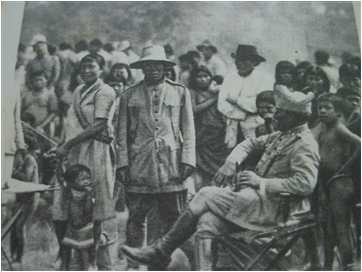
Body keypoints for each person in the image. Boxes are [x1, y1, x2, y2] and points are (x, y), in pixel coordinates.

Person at [121, 85, 319, 270]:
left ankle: (161, 250)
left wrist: (261, 182)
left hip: (275, 210)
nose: (276, 116)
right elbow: (248, 144)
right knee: (207, 222)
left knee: (206, 193)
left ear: (295, 117)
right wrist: (230, 163)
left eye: (281, 113)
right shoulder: (280, 135)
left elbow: (305, 183)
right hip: (255, 204)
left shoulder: (305, 144)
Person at [115, 44, 195, 269]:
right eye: (148, 66)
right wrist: (122, 163)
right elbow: (122, 132)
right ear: (142, 68)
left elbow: (188, 129)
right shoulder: (129, 94)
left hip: (171, 164)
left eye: (157, 66)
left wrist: (188, 159)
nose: (153, 70)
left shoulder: (180, 91)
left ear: (164, 67)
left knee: (175, 217)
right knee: (136, 216)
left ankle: (168, 262)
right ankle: (134, 263)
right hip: (139, 163)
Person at [54, 53, 117, 270]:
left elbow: (98, 126)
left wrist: (68, 145)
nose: (87, 71)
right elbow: (71, 123)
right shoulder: (79, 91)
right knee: (71, 203)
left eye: (92, 67)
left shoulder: (106, 91)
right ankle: (71, 257)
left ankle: (94, 260)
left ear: (101, 68)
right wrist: (61, 146)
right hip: (75, 152)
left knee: (94, 207)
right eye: (83, 67)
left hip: (95, 153)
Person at [312, 94, 360, 270]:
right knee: (328, 228)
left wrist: (344, 167)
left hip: (340, 182)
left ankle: (348, 266)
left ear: (338, 113)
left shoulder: (339, 128)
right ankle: (327, 266)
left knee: (341, 227)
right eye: (320, 108)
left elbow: (360, 144)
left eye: (327, 108)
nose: (322, 111)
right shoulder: (323, 128)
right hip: (327, 181)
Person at [218, 44, 273, 147]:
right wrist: (240, 113)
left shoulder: (264, 79)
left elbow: (258, 105)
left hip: (255, 127)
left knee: (255, 154)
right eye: (238, 61)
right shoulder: (230, 78)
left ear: (254, 62)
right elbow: (221, 104)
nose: (240, 64)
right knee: (233, 155)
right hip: (233, 127)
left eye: (244, 60)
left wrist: (236, 100)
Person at [189, 65, 231, 191]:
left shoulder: (216, 90)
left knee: (219, 166)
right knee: (201, 166)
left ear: (211, 77)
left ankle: (217, 191)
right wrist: (214, 99)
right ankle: (202, 191)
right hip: (202, 134)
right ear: (194, 78)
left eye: (206, 76)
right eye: (199, 77)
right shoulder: (192, 92)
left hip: (218, 133)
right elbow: (194, 109)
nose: (202, 79)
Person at [10, 134, 40, 264]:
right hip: (21, 197)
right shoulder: (22, 158)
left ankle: (19, 257)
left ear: (26, 146)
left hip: (29, 198)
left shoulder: (29, 159)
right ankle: (13, 255)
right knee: (13, 227)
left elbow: (27, 179)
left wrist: (11, 172)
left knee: (19, 227)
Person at [60, 164, 96, 270]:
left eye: (88, 178)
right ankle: (64, 267)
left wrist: (89, 196)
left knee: (83, 251)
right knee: (66, 247)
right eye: (82, 179)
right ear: (72, 182)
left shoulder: (87, 193)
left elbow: (89, 210)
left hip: (84, 227)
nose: (87, 181)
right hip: (71, 226)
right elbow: (62, 178)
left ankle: (86, 268)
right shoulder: (69, 190)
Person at [21, 70, 58, 136]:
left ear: (46, 80)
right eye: (36, 80)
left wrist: (41, 126)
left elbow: (53, 113)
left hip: (41, 129)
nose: (38, 82)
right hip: (25, 126)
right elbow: (20, 110)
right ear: (32, 81)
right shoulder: (26, 94)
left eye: (41, 79)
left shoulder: (50, 95)